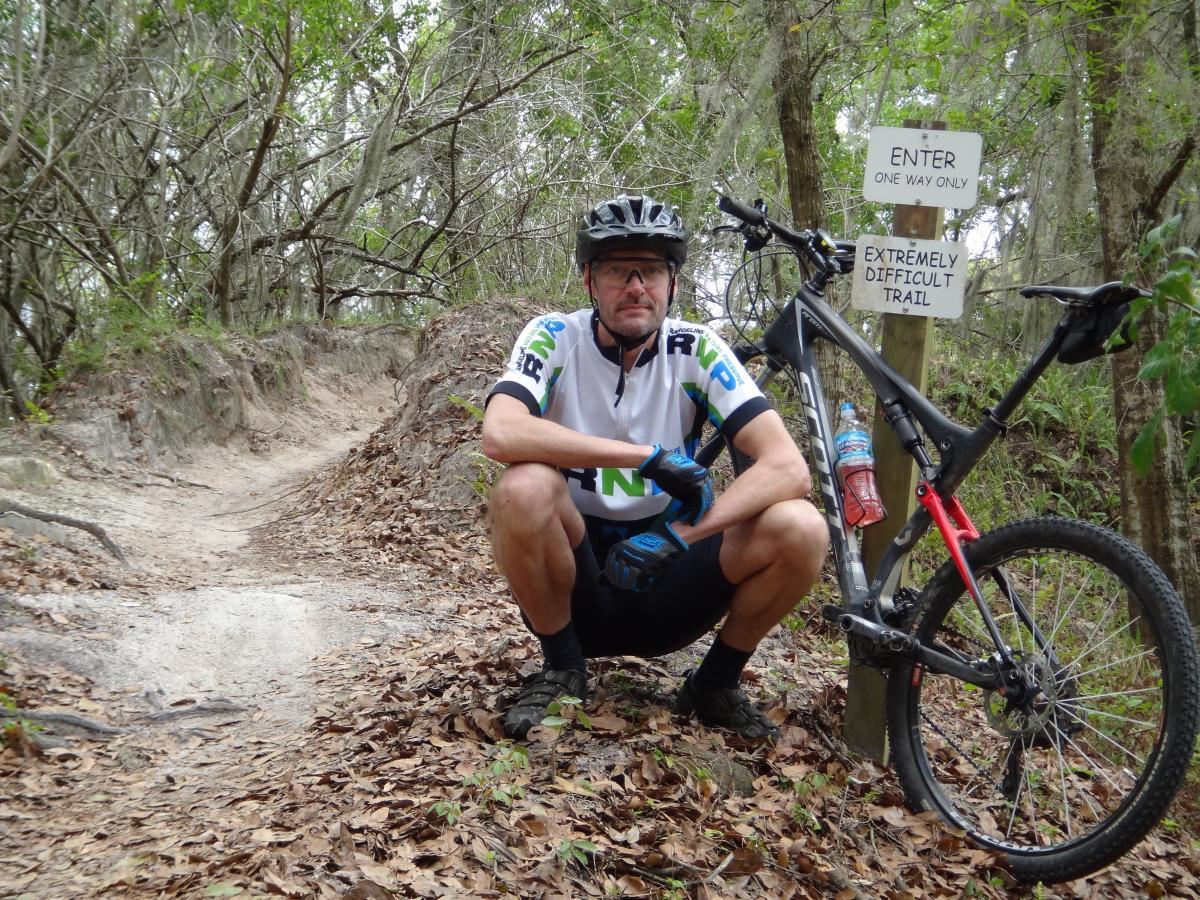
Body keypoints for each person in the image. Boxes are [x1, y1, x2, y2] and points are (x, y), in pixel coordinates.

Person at [481, 193, 828, 742]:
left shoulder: (698, 349)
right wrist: (646, 456)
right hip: (576, 582)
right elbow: (500, 432)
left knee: (802, 526)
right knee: (522, 487)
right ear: (589, 282)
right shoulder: (554, 336)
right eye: (618, 270)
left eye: (653, 271)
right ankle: (563, 669)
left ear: (673, 284)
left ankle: (714, 683)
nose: (636, 286)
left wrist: (678, 534)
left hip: (671, 577)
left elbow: (788, 468)